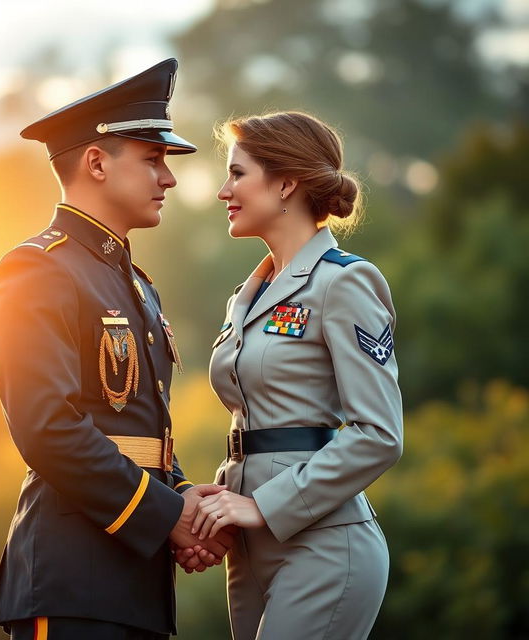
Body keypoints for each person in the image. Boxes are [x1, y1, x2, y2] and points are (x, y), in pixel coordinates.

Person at [0, 58, 232, 640]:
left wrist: (183, 494)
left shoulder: (135, 281)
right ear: (96, 161)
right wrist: (170, 518)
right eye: (153, 159)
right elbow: (48, 427)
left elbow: (136, 429)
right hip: (73, 577)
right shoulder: (36, 269)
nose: (167, 179)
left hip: (134, 580)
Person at [189, 111, 404, 640]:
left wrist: (263, 505)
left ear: (286, 183)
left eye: (238, 174)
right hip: (247, 548)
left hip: (324, 544)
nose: (223, 191)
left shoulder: (346, 282)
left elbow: (380, 435)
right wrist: (214, 506)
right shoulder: (246, 296)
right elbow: (258, 422)